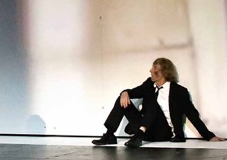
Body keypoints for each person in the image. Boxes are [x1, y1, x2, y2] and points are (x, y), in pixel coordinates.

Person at [91, 57, 225, 147]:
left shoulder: (179, 91)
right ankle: (110, 135)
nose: (150, 70)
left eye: (154, 68)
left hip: (163, 132)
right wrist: (124, 93)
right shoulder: (149, 85)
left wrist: (209, 136)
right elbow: (133, 92)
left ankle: (138, 136)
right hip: (145, 129)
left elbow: (192, 114)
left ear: (163, 72)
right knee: (122, 98)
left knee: (153, 103)